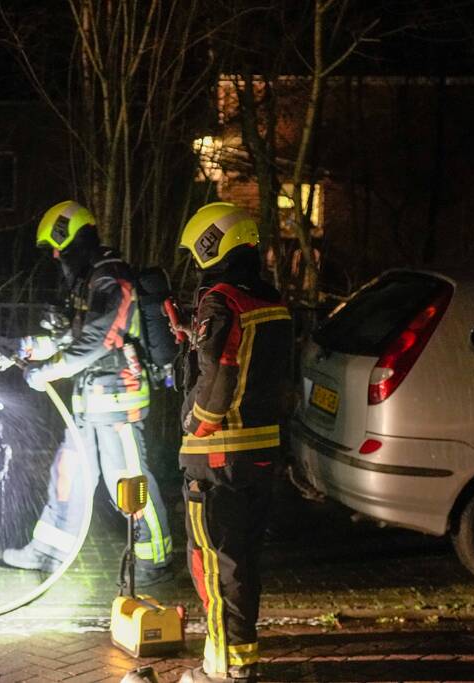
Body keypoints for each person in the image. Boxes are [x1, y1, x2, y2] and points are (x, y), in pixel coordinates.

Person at [0, 200, 173, 585]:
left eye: (57, 248)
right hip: (89, 399)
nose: (56, 257)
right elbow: (74, 336)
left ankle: (155, 558)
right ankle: (49, 549)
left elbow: (101, 337)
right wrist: (26, 346)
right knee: (69, 473)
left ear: (71, 237)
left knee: (128, 481)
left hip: (118, 399)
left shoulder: (112, 277)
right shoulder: (90, 281)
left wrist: (51, 370)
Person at [175, 203, 292, 683]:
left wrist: (193, 422)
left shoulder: (221, 301)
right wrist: (193, 336)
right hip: (259, 456)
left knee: (213, 566)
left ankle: (224, 670)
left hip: (216, 460)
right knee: (241, 563)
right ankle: (237, 659)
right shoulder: (272, 302)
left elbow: (218, 381)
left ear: (211, 247)